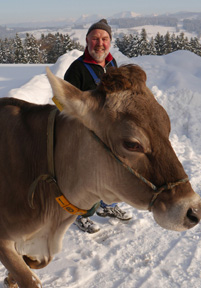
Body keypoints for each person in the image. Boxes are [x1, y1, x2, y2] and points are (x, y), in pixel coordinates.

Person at [64, 19, 132, 233]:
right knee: (89, 178)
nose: (99, 43)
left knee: (114, 172)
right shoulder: (76, 70)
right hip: (86, 135)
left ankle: (108, 206)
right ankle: (80, 214)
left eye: (104, 39)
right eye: (95, 39)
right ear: (87, 41)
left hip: (109, 131)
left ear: (110, 42)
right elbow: (65, 107)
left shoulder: (112, 65)